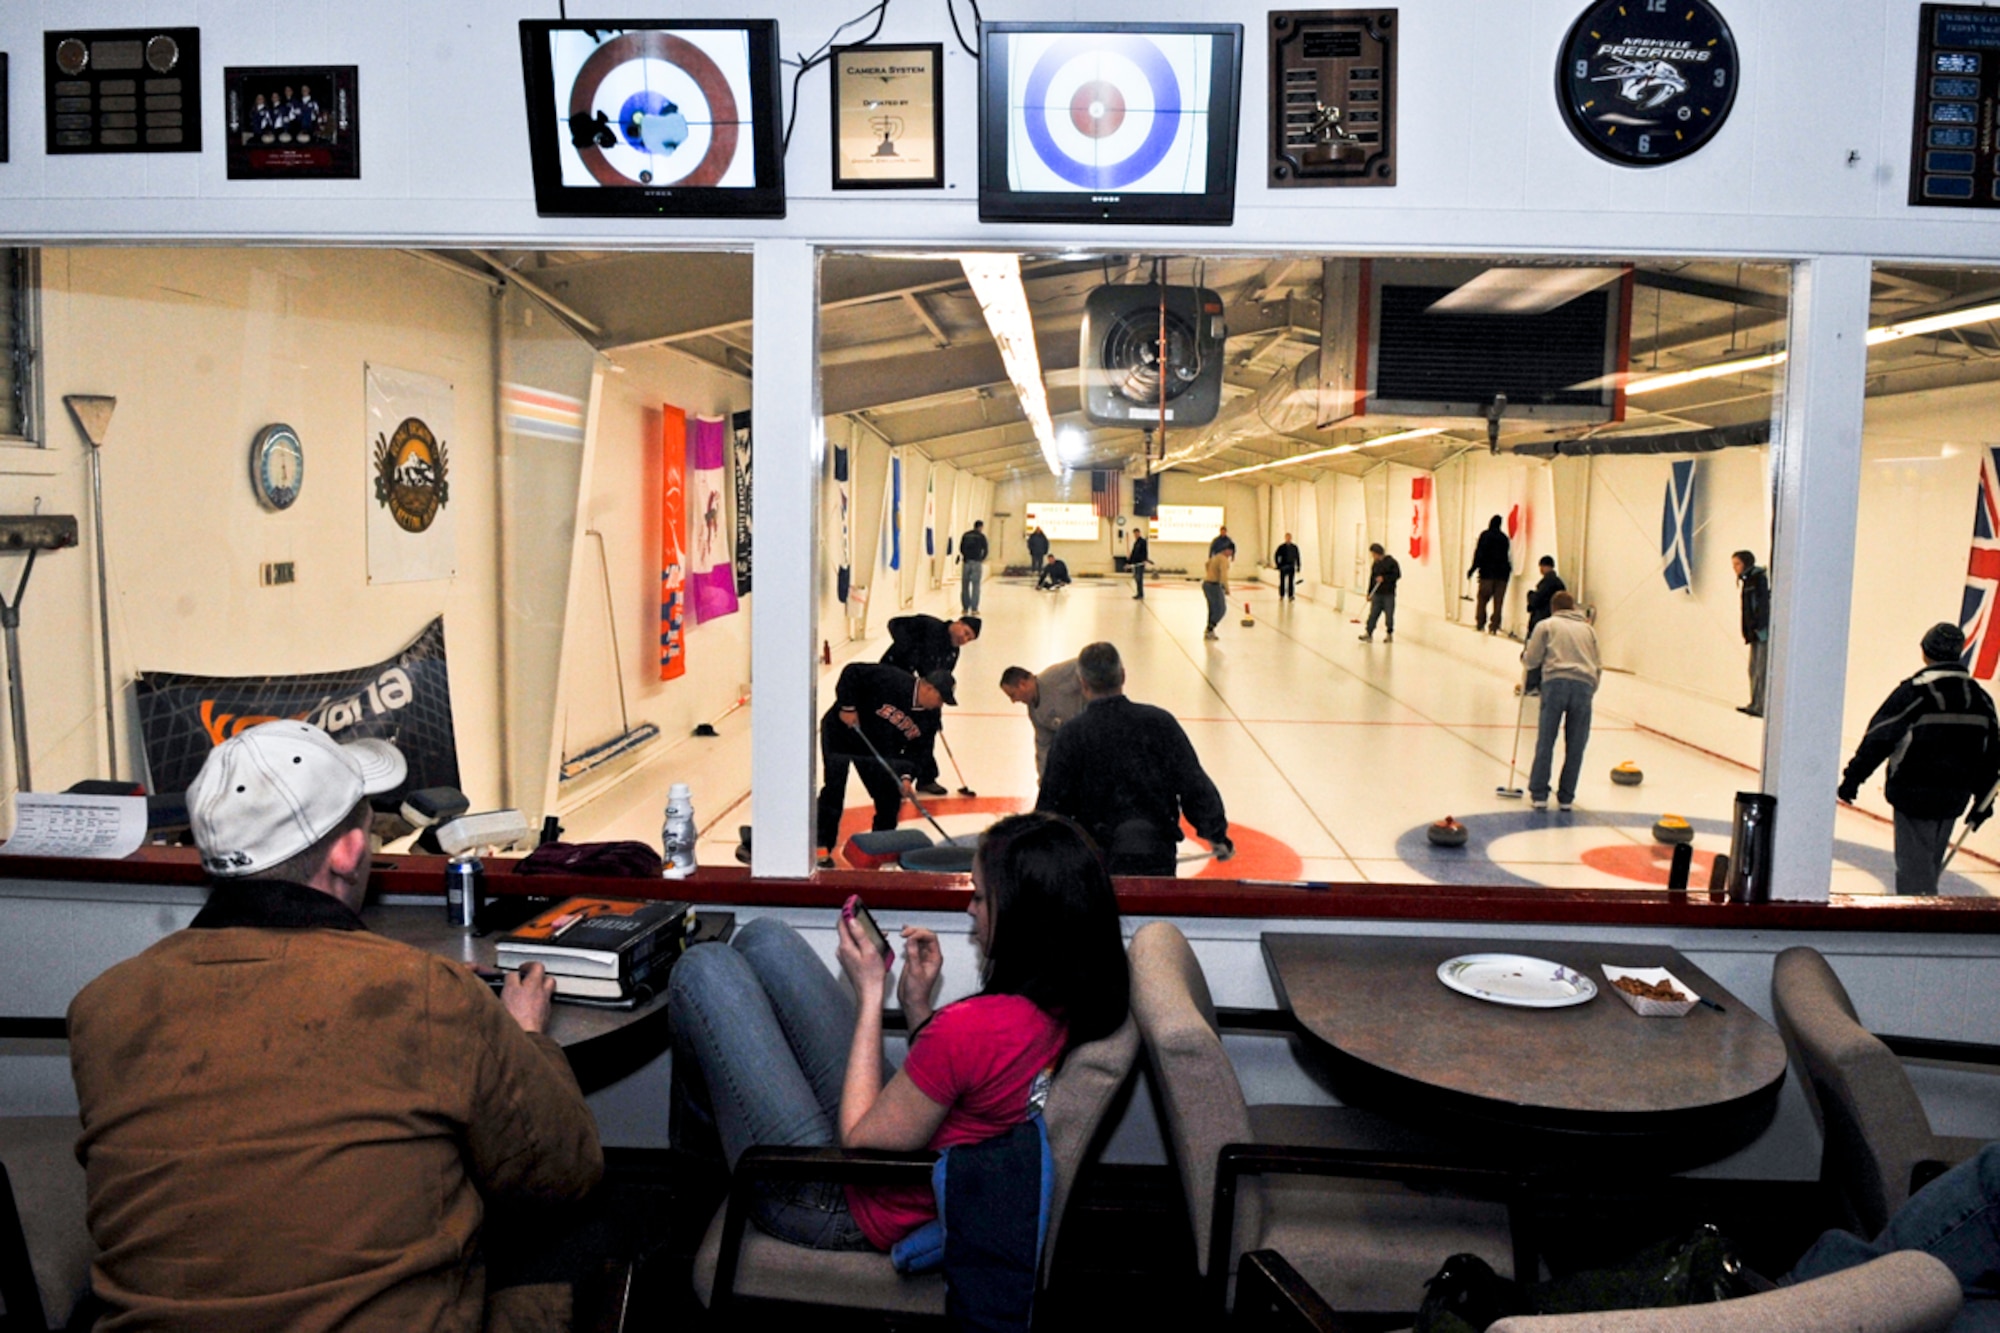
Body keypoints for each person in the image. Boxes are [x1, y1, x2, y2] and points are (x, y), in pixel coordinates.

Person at [67, 720, 603, 1331]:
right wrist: (527, 1038)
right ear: (349, 852)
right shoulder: (426, 992)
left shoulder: (102, 1006)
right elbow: (564, 1172)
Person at [666, 813, 1130, 1259]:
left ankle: (695, 1188)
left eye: (982, 898)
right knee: (765, 938)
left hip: (842, 1200)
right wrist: (917, 1008)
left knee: (703, 969)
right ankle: (704, 1172)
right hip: (904, 1148)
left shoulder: (975, 1026)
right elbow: (972, 1079)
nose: (970, 909)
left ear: (1026, 917)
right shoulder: (1070, 1000)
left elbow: (858, 1142)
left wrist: (871, 993)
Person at [1037, 641, 1232, 876]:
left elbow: (1054, 803)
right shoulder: (1160, 723)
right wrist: (1215, 832)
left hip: (1097, 858)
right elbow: (1192, 783)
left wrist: (1047, 852)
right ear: (1122, 675)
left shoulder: (1071, 735)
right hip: (1155, 852)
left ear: (1083, 684)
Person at [1839, 622, 2000, 896]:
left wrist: (1853, 778)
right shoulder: (1980, 699)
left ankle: (1919, 926)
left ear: (1925, 651)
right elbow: (1990, 755)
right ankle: (1928, 914)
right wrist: (1984, 800)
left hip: (1912, 793)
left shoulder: (1915, 693)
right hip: (1954, 796)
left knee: (1915, 873)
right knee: (1928, 864)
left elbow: (1880, 738)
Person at [816, 663, 955, 868]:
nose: (940, 705)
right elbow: (851, 672)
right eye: (940, 699)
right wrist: (848, 707)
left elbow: (920, 751)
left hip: (875, 749)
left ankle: (879, 848)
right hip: (841, 734)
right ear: (928, 688)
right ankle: (821, 846)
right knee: (834, 790)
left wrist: (906, 777)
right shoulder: (893, 678)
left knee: (890, 797)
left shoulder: (930, 716)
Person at [881, 613, 979, 795]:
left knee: (928, 727)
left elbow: (942, 680)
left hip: (923, 690)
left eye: (969, 638)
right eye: (965, 632)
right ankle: (896, 780)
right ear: (958, 623)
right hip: (895, 678)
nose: (964, 639)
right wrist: (908, 649)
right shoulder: (928, 625)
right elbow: (894, 623)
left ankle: (926, 778)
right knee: (897, 729)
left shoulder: (953, 651)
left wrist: (937, 711)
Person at [1521, 591, 1600, 811]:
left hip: (1555, 682)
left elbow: (1533, 658)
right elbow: (1597, 663)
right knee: (1576, 744)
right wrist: (1591, 688)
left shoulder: (1547, 625)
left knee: (1546, 739)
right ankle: (1566, 796)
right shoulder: (1588, 630)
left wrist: (1525, 659)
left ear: (1553, 608)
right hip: (1583, 685)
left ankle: (1539, 793)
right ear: (1573, 607)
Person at [1000, 659, 1087, 777]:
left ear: (1022, 684)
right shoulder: (1035, 713)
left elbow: (1089, 662)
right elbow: (1044, 746)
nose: (1013, 701)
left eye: (1013, 695)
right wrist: (1044, 782)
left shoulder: (1054, 677)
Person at [1734, 549, 1772, 717]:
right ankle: (1754, 701)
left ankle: (1760, 705)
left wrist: (1758, 625)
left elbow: (1761, 604)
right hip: (1754, 631)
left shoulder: (1757, 580)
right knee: (1753, 668)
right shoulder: (1748, 580)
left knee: (1760, 668)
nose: (1735, 568)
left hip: (1760, 631)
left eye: (1737, 564)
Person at [1469, 514, 1512, 635]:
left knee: (1482, 599)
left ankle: (1480, 623)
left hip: (1487, 574)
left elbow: (1479, 554)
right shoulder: (1504, 538)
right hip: (1502, 575)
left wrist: (1472, 569)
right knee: (1498, 602)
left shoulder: (1485, 535)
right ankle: (1494, 626)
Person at [1360, 542, 1400, 642]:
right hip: (1377, 594)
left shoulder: (1392, 562)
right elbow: (1372, 579)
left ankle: (1389, 634)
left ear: (1378, 553)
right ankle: (1369, 633)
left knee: (1389, 616)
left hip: (1388, 594)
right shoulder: (1375, 564)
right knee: (1373, 614)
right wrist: (1369, 593)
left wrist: (1385, 578)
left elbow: (1397, 575)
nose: (1373, 556)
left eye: (1374, 554)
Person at [1524, 555, 1565, 639]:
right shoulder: (1559, 583)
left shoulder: (1547, 582)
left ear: (1543, 566)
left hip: (1541, 619)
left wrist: (1530, 595)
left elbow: (1537, 600)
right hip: (1555, 621)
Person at [1202, 544, 1232, 640]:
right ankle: (1210, 628)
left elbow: (1206, 564)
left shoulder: (1215, 557)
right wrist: (1226, 588)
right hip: (1214, 585)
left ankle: (1209, 632)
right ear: (1227, 550)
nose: (1231, 554)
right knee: (1221, 609)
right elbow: (1224, 574)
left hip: (1206, 583)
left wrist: (1210, 573)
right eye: (1231, 551)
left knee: (1212, 609)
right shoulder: (1223, 559)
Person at [958, 519, 988, 614]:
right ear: (980, 527)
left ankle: (965, 608)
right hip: (976, 562)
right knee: (976, 586)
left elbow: (961, 548)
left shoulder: (966, 535)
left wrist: (966, 556)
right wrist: (981, 558)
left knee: (965, 585)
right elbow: (986, 549)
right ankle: (974, 608)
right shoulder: (981, 536)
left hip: (966, 562)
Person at [1274, 532, 1301, 601]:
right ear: (1285, 538)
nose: (1288, 539)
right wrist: (1278, 565)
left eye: (1289, 537)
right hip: (1283, 566)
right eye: (1287, 537)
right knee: (1282, 581)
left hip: (1291, 566)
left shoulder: (1294, 547)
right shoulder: (1281, 547)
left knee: (1291, 581)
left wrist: (1298, 566)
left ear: (1291, 538)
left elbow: (1297, 557)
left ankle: (1290, 595)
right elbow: (1276, 555)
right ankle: (1282, 595)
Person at [1129, 528, 1150, 599]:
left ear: (1139, 533)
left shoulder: (1143, 541)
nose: (1136, 534)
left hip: (1140, 563)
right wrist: (1129, 562)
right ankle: (1138, 593)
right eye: (1134, 533)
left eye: (1137, 533)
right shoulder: (1136, 543)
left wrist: (1144, 559)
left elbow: (1145, 551)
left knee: (1139, 578)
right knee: (1136, 578)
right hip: (1136, 563)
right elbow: (1133, 553)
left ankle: (1140, 594)